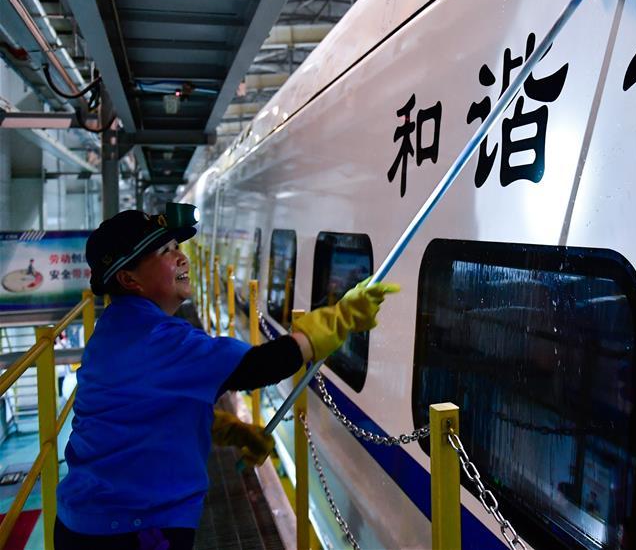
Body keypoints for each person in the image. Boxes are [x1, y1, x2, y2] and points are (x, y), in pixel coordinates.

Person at [54, 203, 399, 550]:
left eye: (177, 247)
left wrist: (225, 428)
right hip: (131, 531)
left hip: (87, 521)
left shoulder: (113, 331)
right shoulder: (157, 339)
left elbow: (138, 411)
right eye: (165, 252)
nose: (182, 257)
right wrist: (340, 320)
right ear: (129, 279)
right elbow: (260, 366)